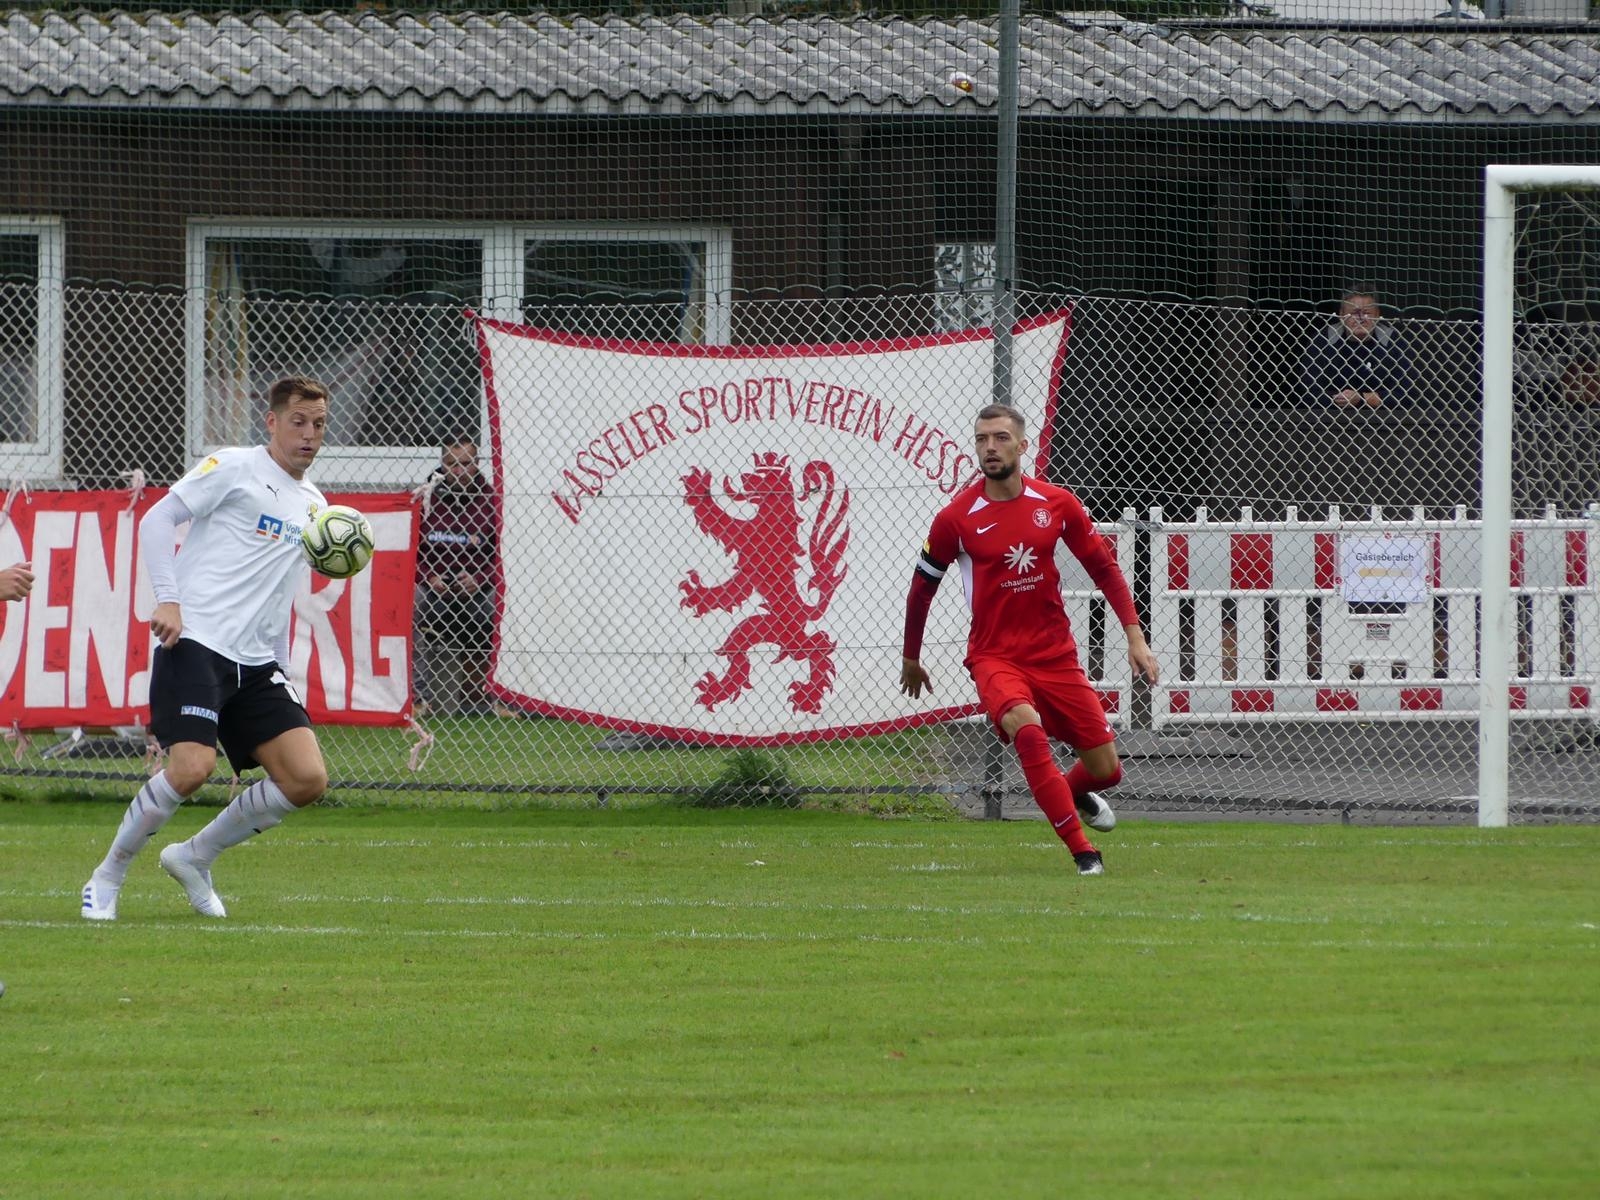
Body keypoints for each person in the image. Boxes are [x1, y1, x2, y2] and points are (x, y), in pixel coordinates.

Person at [80, 376, 333, 920]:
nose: (309, 435)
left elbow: (281, 591)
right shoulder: (235, 466)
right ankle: (107, 875)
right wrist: (168, 600)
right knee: (192, 768)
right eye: (298, 422)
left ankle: (194, 857)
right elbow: (157, 519)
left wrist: (283, 671)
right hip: (196, 640)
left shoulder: (315, 506)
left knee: (307, 778)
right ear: (271, 422)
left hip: (257, 661)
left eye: (318, 425)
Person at [899, 404, 1159, 875]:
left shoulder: (1056, 503)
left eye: (1000, 438)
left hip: (1055, 656)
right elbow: (922, 588)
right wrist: (910, 657)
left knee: (1106, 770)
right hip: (995, 656)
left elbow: (1104, 568)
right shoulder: (956, 518)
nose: (989, 447)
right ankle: (1084, 853)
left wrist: (1134, 636)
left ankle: (1071, 792)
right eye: (981, 439)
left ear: (1023, 446)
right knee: (1026, 725)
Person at [411, 437, 500, 716]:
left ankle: (503, 697)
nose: (459, 470)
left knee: (508, 605)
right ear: (442, 466)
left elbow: (506, 554)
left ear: (477, 464)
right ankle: (419, 698)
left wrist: (481, 578)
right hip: (433, 586)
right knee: (407, 603)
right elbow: (410, 551)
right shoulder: (425, 499)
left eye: (466, 463)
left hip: (479, 588)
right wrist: (428, 577)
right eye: (452, 464)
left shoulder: (492, 501)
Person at [1300, 286, 1414, 408]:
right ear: (1341, 314)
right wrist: (1341, 399)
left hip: (1383, 420)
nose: (1361, 319)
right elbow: (1308, 390)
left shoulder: (1392, 340)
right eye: (1354, 313)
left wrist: (1363, 398)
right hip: (1329, 417)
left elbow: (1406, 394)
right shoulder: (1323, 339)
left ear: (1378, 314)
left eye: (1367, 313)